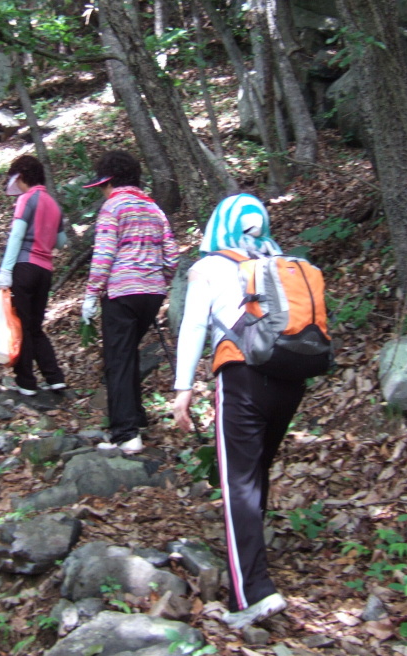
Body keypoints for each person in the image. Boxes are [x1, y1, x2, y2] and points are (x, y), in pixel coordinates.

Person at [171, 194, 299, 630]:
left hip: (242, 377)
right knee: (256, 472)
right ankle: (253, 560)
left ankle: (253, 593)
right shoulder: (280, 261)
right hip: (290, 378)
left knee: (238, 482)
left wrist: (182, 388)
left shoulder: (208, 267)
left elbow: (192, 326)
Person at [81, 151, 178, 453]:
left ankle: (126, 434)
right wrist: (158, 277)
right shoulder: (154, 208)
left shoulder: (113, 207)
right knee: (128, 354)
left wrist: (91, 293)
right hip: (152, 293)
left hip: (122, 293)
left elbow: (104, 254)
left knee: (118, 359)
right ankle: (136, 416)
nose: (101, 191)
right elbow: (172, 255)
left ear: (109, 181)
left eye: (101, 185)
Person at [0, 155, 68, 396]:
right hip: (45, 271)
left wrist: (5, 270)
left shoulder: (27, 199)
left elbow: (16, 236)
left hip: (24, 267)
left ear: (22, 176)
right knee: (35, 326)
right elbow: (61, 242)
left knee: (21, 326)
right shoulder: (53, 204)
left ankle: (26, 382)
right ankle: (55, 377)